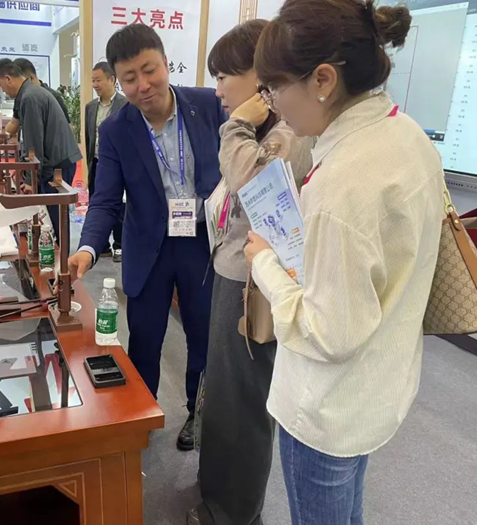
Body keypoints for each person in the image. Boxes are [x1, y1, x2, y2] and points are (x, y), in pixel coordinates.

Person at [243, 1, 444, 523]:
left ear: (323, 80)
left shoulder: (342, 186)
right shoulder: (408, 135)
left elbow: (327, 333)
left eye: (273, 88)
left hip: (325, 407)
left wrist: (264, 263)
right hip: (377, 386)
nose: (272, 105)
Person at [68, 24, 227, 450]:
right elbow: (105, 200)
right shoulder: (116, 130)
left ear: (165, 63)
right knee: (145, 338)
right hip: (148, 248)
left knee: (203, 335)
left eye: (149, 70)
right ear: (118, 80)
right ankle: (141, 414)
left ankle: (198, 412)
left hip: (202, 243)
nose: (142, 85)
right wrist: (88, 247)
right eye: (129, 78)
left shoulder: (209, 105)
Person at [189, 20, 313, 525]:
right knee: (224, 394)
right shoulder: (264, 131)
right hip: (234, 274)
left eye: (225, 77)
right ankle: (217, 496)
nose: (218, 90)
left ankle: (236, 512)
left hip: (255, 285)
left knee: (244, 401)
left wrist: (237, 126)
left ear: (260, 79)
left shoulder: (288, 133)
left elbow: (255, 186)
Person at [0, 59, 82, 240]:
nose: (2, 90)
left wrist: (30, 179)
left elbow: (34, 143)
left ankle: (59, 256)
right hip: (55, 161)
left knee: (55, 219)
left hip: (57, 164)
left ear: (8, 79)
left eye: (0, 85)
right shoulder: (28, 94)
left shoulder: (30, 97)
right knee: (52, 217)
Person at [85, 61, 128, 262]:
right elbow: (89, 136)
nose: (95, 84)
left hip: (119, 164)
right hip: (96, 162)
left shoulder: (125, 105)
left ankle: (119, 245)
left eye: (98, 80)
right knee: (96, 201)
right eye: (93, 80)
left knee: (119, 205)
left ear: (112, 79)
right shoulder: (90, 107)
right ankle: (100, 246)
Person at [13, 58, 70, 123]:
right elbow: (14, 123)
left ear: (31, 78)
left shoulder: (54, 97)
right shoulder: (21, 98)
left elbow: (67, 126)